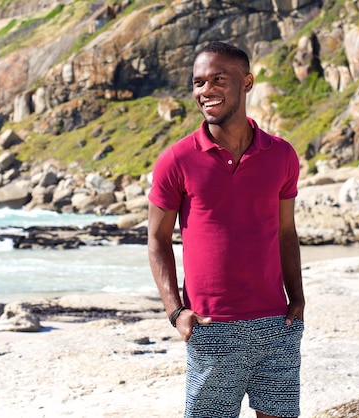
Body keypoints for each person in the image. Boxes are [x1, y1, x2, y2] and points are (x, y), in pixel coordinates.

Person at [147, 41, 305, 418]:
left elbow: (286, 232)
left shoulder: (282, 155)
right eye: (199, 82)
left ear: (247, 82)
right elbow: (156, 240)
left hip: (276, 324)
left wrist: (297, 300)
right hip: (211, 325)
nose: (206, 90)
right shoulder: (176, 160)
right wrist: (175, 312)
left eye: (219, 79)